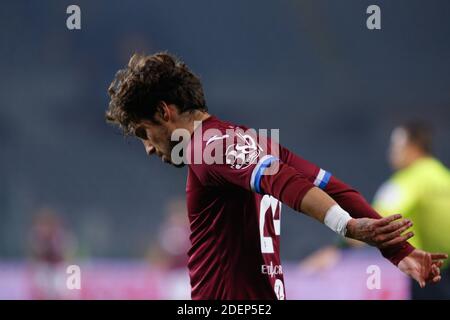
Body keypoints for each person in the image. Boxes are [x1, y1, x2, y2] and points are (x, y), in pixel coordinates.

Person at [105, 52, 446, 299]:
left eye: (143, 133)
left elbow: (283, 182)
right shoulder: (252, 141)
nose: (149, 148)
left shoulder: (207, 146)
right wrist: (399, 252)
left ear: (165, 111)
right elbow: (330, 185)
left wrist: (347, 226)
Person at [373, 122, 450, 299]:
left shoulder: (409, 181)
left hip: (431, 276)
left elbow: (375, 220)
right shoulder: (443, 176)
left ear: (413, 148)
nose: (391, 153)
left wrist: (338, 246)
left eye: (396, 146)